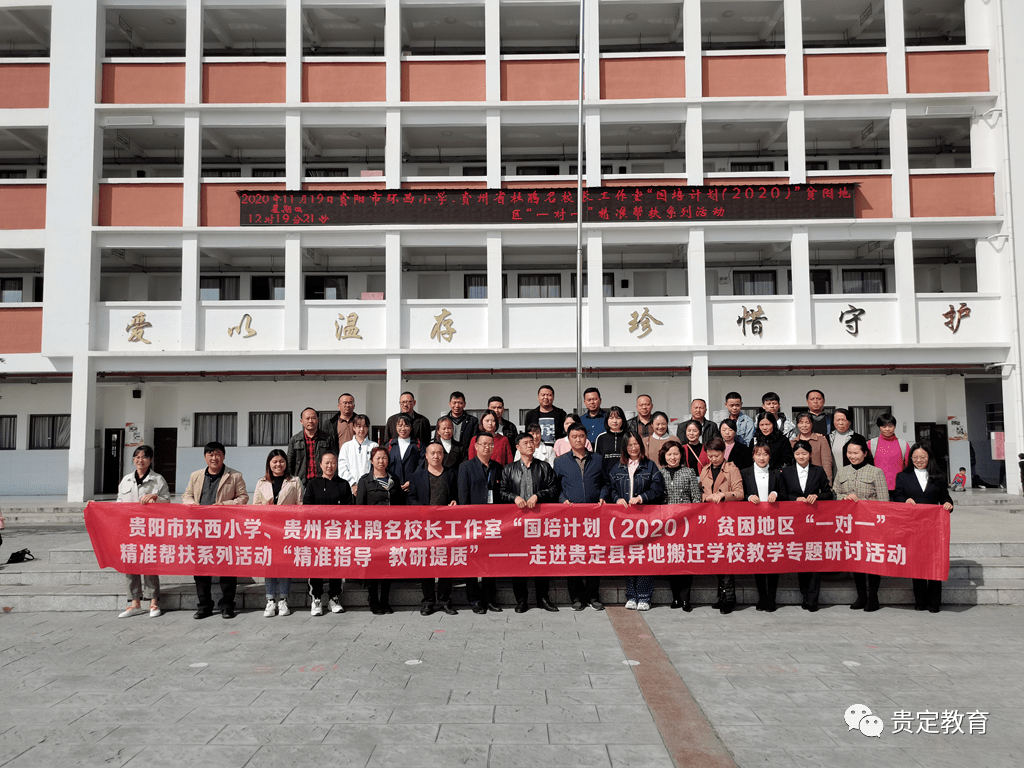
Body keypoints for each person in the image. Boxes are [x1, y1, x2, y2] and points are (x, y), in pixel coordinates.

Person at [182, 442, 249, 619]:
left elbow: (243, 498)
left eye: (217, 454)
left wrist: (225, 505)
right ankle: (204, 606)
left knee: (227, 569)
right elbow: (186, 495)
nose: (214, 457)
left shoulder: (234, 476)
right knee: (201, 570)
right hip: (201, 529)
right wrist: (192, 504)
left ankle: (227, 605)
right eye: (210, 454)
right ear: (205, 457)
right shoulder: (196, 476)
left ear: (224, 456)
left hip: (225, 529)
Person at [500, 433, 560, 613]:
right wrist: (514, 497)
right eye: (525, 443)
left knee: (540, 558)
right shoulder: (508, 469)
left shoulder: (544, 467)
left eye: (531, 442)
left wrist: (538, 496)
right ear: (517, 447)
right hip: (516, 524)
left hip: (539, 521)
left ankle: (543, 597)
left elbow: (554, 488)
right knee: (518, 561)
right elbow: (501, 492)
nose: (529, 445)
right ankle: (521, 599)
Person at [892, 443, 954, 613]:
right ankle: (920, 601)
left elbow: (945, 496)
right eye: (915, 458)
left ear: (929, 458)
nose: (919, 461)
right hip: (913, 527)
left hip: (933, 527)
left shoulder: (939, 476)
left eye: (923, 458)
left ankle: (934, 602)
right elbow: (897, 494)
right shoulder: (903, 476)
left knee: (934, 563)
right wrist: (904, 500)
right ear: (910, 459)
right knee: (917, 564)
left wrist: (949, 504)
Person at [554, 422, 608, 610]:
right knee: (574, 556)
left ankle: (593, 596)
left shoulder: (598, 459)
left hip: (594, 517)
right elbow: (556, 488)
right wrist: (562, 500)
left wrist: (602, 497)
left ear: (587, 439)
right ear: (568, 439)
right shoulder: (560, 462)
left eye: (581, 436)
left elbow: (606, 484)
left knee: (594, 556)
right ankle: (576, 597)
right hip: (571, 519)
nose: (578, 439)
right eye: (574, 436)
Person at [608, 432, 665, 611]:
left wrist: (642, 497)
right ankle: (631, 595)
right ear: (625, 448)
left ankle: (645, 597)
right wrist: (617, 498)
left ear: (641, 445)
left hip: (645, 519)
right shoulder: (617, 467)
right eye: (629, 445)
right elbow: (610, 488)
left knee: (645, 557)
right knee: (629, 557)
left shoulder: (649, 466)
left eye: (636, 444)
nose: (633, 448)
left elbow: (658, 488)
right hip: (625, 521)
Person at [833, 435, 890, 612]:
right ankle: (861, 596)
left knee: (872, 560)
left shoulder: (876, 472)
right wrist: (845, 497)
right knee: (856, 560)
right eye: (849, 453)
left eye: (856, 452)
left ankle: (873, 597)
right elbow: (834, 495)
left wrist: (863, 502)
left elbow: (884, 502)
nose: (852, 456)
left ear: (865, 453)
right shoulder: (842, 472)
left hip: (871, 524)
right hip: (850, 524)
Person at [778, 440, 835, 612]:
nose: (801, 457)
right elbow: (781, 494)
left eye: (804, 453)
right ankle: (805, 595)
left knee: (814, 559)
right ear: (794, 455)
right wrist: (795, 499)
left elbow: (829, 493)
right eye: (798, 454)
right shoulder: (786, 472)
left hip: (814, 521)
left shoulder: (818, 471)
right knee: (801, 560)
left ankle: (812, 600)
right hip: (794, 522)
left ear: (810, 454)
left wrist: (817, 496)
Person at [116, 445, 170, 618]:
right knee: (130, 563)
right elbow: (118, 504)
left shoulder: (158, 480)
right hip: (129, 529)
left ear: (151, 460)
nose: (141, 460)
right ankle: (134, 603)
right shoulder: (126, 480)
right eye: (137, 457)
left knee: (149, 563)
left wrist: (156, 498)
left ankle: (153, 602)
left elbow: (168, 503)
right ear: (133, 459)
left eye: (145, 457)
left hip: (150, 529)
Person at [408, 441, 459, 616]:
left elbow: (456, 496)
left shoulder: (451, 474)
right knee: (427, 564)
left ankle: (445, 600)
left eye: (439, 453)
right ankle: (428, 601)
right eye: (432, 453)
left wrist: (454, 501)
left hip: (446, 526)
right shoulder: (417, 476)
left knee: (446, 563)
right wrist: (423, 510)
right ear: (426, 456)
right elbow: (411, 498)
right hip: (425, 527)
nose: (436, 456)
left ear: (443, 455)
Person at [303, 450, 353, 615]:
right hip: (317, 533)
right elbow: (307, 508)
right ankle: (316, 598)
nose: (330, 466)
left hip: (337, 534)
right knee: (316, 565)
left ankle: (334, 598)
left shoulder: (343, 484)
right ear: (320, 465)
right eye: (327, 463)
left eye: (333, 462)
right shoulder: (313, 484)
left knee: (335, 565)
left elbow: (349, 510)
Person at [457, 432, 503, 614]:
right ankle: (475, 599)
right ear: (475, 447)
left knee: (490, 562)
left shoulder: (498, 468)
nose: (487, 447)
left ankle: (490, 598)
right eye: (483, 444)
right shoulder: (466, 467)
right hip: (473, 523)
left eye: (490, 444)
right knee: (473, 562)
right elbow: (463, 497)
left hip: (493, 524)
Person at [253, 449, 302, 618]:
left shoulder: (294, 481)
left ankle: (283, 600)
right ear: (269, 464)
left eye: (281, 461)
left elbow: (300, 506)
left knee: (284, 565)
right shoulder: (261, 482)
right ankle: (270, 600)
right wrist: (267, 508)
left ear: (286, 463)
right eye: (274, 462)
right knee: (270, 565)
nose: (278, 464)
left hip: (287, 530)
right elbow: (256, 507)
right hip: (268, 530)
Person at [356, 446, 406, 614]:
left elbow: (400, 505)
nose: (381, 461)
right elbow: (360, 508)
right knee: (373, 566)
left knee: (388, 565)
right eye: (377, 458)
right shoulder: (365, 481)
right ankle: (373, 599)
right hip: (372, 531)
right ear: (371, 461)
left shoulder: (394, 479)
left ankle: (385, 599)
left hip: (390, 531)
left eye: (384, 458)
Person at [699, 438, 744, 614]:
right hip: (710, 519)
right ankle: (722, 596)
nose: (713, 459)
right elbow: (700, 493)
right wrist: (707, 498)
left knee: (727, 559)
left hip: (728, 519)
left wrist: (724, 495)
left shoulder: (732, 469)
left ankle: (729, 598)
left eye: (716, 456)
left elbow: (740, 493)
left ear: (723, 453)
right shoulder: (705, 470)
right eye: (710, 456)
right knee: (718, 557)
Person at [659, 442, 701, 610]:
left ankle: (685, 599)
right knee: (672, 561)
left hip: (686, 525)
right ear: (664, 456)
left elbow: (696, 499)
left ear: (681, 456)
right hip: (666, 526)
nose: (673, 457)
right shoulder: (659, 473)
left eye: (676, 454)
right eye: (669, 454)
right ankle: (675, 597)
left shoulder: (689, 472)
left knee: (685, 562)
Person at [287, 407, 337, 487]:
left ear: (318, 420)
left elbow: (334, 459)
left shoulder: (328, 438)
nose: (310, 421)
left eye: (313, 418)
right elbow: (290, 463)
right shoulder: (295, 440)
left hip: (323, 481)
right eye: (307, 418)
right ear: (301, 421)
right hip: (301, 482)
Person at [868, 413, 911, 492]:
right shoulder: (871, 444)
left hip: (899, 487)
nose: (887, 429)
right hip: (877, 487)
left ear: (894, 427)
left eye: (890, 426)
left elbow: (909, 466)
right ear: (879, 427)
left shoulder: (903, 444)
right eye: (884, 426)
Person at [339, 414, 377, 495]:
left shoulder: (374, 446)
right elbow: (342, 468)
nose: (361, 429)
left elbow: (376, 468)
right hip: (349, 489)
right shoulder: (346, 446)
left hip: (369, 489)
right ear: (353, 428)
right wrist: (353, 484)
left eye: (365, 426)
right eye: (358, 426)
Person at [791, 412, 835, 483]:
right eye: (801, 423)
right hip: (799, 481)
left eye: (807, 423)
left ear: (812, 424)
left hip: (817, 480)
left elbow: (827, 463)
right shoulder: (793, 442)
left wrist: (828, 482)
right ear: (797, 424)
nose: (804, 425)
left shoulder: (821, 440)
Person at [385, 413, 423, 492]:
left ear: (411, 427)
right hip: (393, 488)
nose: (403, 428)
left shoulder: (418, 445)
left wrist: (412, 481)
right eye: (400, 425)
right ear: (396, 427)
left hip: (413, 487)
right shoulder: (389, 445)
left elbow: (421, 465)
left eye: (406, 425)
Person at [594, 406, 628, 478]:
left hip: (625, 478)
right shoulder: (601, 437)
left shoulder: (628, 437)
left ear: (623, 419)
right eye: (611, 418)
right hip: (605, 479)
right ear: (607, 420)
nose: (614, 421)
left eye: (618, 418)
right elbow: (596, 460)